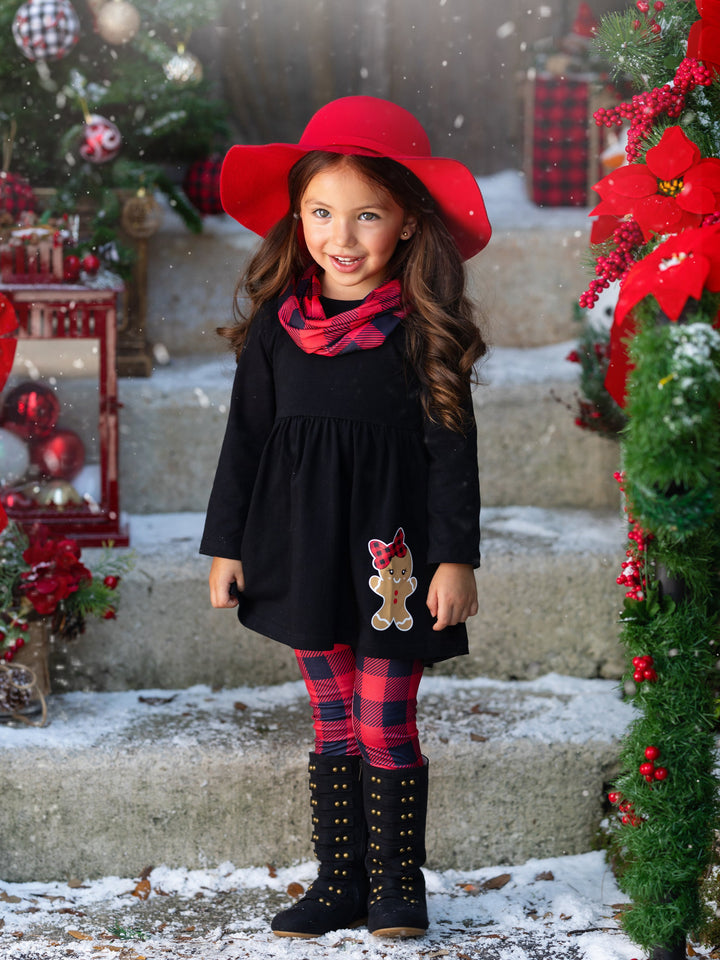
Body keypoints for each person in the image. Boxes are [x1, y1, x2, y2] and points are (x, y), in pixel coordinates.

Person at [200, 95, 491, 941]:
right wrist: (225, 546)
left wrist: (456, 558)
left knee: (381, 721)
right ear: (298, 218)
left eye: (368, 215)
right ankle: (339, 881)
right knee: (333, 723)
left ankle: (398, 883)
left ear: (407, 224)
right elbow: (244, 441)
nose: (343, 236)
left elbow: (452, 453)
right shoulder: (277, 329)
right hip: (298, 551)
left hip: (393, 563)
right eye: (322, 212)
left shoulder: (421, 331)